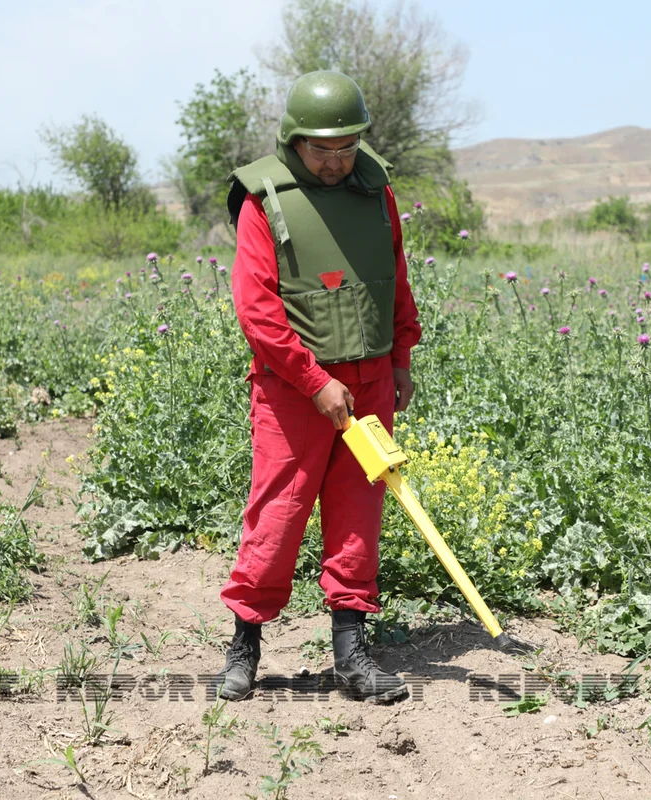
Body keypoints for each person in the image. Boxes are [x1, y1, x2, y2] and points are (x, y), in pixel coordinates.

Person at [215, 70, 421, 703]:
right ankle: (244, 644)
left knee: (360, 512)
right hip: (291, 389)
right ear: (293, 140)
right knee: (279, 510)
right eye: (321, 149)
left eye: (346, 147)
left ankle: (352, 653)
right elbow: (257, 312)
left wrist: (401, 357)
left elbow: (394, 276)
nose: (335, 162)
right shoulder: (262, 200)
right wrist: (314, 381)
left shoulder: (376, 191)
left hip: (370, 379)